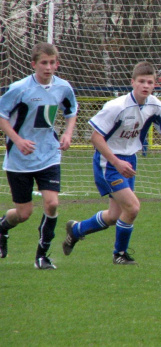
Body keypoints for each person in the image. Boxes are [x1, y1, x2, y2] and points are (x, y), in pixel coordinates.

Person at [62, 61, 161, 265]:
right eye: (141, 81)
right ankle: (119, 254)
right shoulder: (117, 107)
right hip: (108, 162)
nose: (145, 86)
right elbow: (95, 138)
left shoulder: (155, 105)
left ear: (154, 85)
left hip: (129, 160)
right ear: (132, 82)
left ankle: (77, 230)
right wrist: (116, 162)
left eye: (150, 82)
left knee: (114, 215)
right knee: (132, 208)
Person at [0, 42, 78, 269]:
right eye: (44, 63)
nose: (48, 67)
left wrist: (68, 133)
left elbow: (71, 111)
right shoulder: (20, 88)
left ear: (57, 64)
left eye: (52, 62)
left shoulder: (63, 88)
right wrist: (18, 140)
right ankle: (3, 227)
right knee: (24, 213)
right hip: (19, 159)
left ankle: (42, 256)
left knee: (52, 204)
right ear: (34, 64)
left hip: (48, 155)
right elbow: (2, 116)